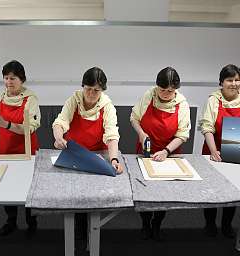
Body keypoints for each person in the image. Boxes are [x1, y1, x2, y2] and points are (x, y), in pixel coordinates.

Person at [52, 66, 122, 253]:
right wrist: (59, 137)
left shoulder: (107, 105)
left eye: (96, 90)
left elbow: (112, 134)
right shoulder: (73, 100)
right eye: (88, 88)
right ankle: (78, 234)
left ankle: (92, 233)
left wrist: (114, 159)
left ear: (103, 90)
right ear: (82, 86)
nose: (91, 93)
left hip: (97, 155)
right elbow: (60, 122)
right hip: (74, 154)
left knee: (93, 198)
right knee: (74, 197)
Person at [0, 60, 41, 237]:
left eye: (13, 78)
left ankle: (31, 222)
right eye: (6, 78)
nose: (9, 82)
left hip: (26, 152)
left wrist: (6, 124)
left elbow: (30, 128)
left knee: (28, 189)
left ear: (22, 80)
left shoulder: (30, 99)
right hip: (4, 150)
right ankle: (11, 220)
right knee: (7, 187)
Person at [130, 66, 191, 240]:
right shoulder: (149, 96)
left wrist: (166, 151)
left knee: (164, 193)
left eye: (170, 91)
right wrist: (141, 133)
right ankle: (145, 223)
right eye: (162, 90)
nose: (165, 93)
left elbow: (183, 134)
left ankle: (157, 223)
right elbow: (134, 118)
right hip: (146, 150)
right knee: (144, 190)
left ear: (176, 90)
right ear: (157, 86)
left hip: (170, 153)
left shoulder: (182, 104)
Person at [200, 64, 240, 238]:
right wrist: (214, 151)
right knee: (212, 189)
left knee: (232, 189)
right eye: (230, 80)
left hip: (235, 149)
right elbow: (207, 127)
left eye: (237, 80)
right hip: (212, 148)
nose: (234, 83)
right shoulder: (213, 100)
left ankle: (226, 225)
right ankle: (209, 224)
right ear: (221, 82)